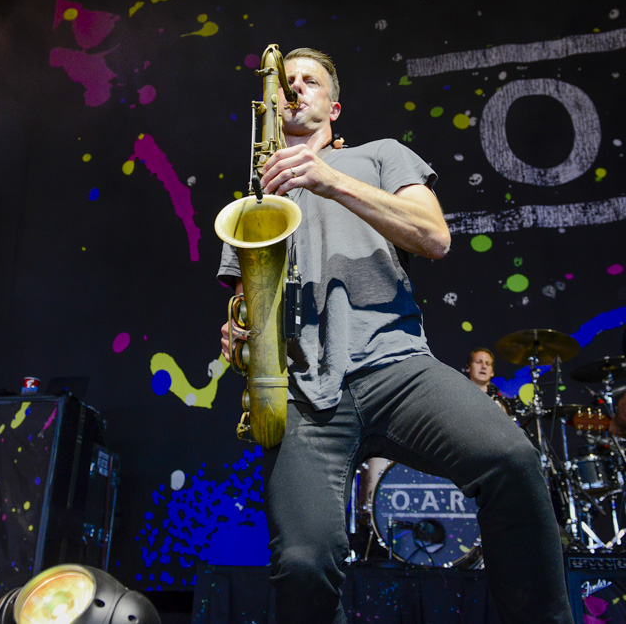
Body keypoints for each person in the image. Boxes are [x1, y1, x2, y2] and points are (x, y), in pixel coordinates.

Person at [217, 48, 572, 622]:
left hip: (398, 366)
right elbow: (238, 305)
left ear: (335, 106)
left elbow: (433, 236)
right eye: (287, 83)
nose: (297, 89)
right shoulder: (254, 202)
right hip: (305, 395)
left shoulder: (378, 156)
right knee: (305, 563)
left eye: (311, 81)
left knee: (512, 462)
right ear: (272, 105)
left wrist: (328, 180)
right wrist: (237, 331)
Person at [465, 347, 520, 419]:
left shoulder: (501, 401)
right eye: (479, 362)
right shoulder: (460, 395)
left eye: (488, 364)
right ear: (468, 368)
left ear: (492, 372)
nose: (484, 366)